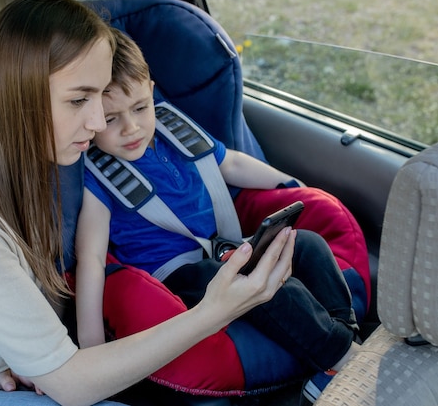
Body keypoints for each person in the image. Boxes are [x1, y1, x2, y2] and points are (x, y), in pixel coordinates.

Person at [0, 0, 296, 406]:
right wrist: (213, 312)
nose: (96, 123)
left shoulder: (30, 162)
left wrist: (8, 356)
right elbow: (73, 385)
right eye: (79, 100)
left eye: (99, 97)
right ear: (20, 97)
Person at [76, 28, 360, 403]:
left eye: (141, 108)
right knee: (250, 275)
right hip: (177, 277)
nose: (131, 128)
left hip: (226, 248)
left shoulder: (173, 128)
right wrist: (91, 348)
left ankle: (344, 342)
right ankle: (340, 357)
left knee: (305, 242)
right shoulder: (96, 176)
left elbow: (232, 165)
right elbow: (91, 259)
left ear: (152, 92)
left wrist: (290, 185)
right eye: (111, 119)